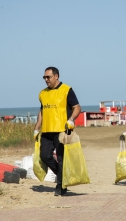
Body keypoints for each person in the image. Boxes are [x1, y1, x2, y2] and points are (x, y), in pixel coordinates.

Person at [34, 67, 81, 196]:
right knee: (45, 156)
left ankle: (60, 185)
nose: (46, 80)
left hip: (62, 130)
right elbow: (42, 111)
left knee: (61, 159)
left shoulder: (67, 90)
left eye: (48, 77)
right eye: (44, 77)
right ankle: (63, 176)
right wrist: (36, 127)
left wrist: (71, 120)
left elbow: (77, 107)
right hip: (47, 130)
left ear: (56, 76)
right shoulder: (42, 93)